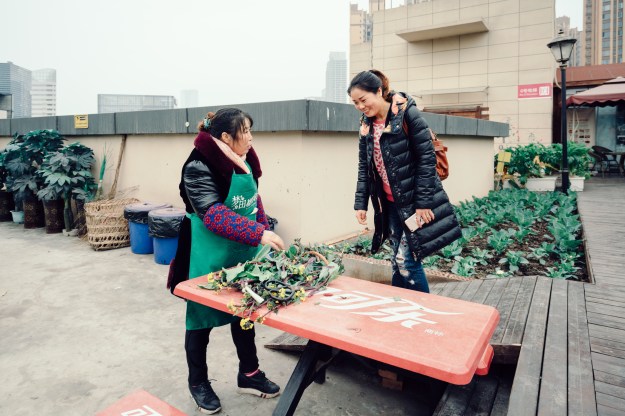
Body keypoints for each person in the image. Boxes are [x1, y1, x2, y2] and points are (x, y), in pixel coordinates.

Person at [168, 108, 285, 414]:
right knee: (200, 319)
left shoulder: (241, 159)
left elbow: (253, 197)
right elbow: (212, 213)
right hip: (206, 252)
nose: (250, 137)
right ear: (224, 137)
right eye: (244, 131)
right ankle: (198, 383)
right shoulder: (198, 165)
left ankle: (249, 373)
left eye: (250, 130)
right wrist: (257, 233)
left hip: (241, 251)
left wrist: (262, 228)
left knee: (244, 313)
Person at [349, 70, 461, 293]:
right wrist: (361, 203)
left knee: (407, 260)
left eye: (363, 100)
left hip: (412, 202)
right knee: (396, 259)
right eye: (355, 103)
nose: (360, 106)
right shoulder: (366, 125)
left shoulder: (407, 114)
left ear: (379, 91)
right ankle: (400, 305)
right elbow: (365, 168)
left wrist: (423, 203)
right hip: (389, 204)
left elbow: (426, 160)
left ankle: (422, 310)